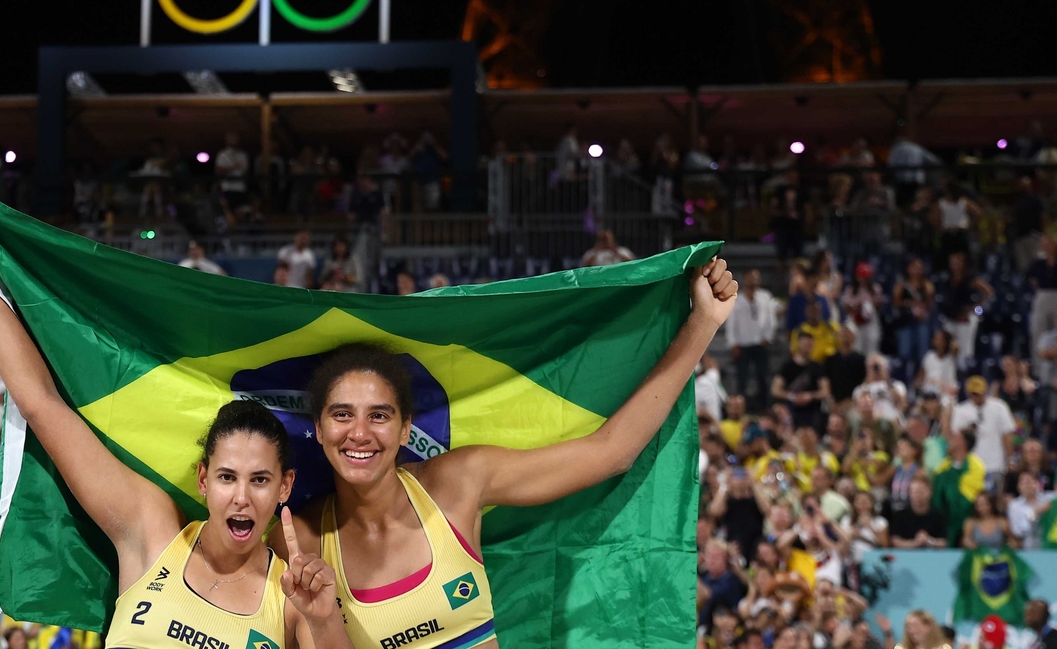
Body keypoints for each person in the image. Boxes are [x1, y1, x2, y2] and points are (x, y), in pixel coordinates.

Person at [0, 191, 352, 649]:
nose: (241, 498)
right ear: (203, 480)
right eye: (227, 477)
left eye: (259, 480)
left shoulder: (293, 596)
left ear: (284, 487)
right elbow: (40, 402)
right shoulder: (150, 534)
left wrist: (325, 621)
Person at [268, 254, 737, 646]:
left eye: (380, 415)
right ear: (319, 427)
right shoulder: (298, 543)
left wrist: (703, 322)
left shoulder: (459, 482)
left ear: (406, 427)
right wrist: (324, 620)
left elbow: (611, 451)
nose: (360, 433)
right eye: (342, 414)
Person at [951, 376, 1017, 487]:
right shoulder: (961, 410)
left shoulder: (999, 407)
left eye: (979, 393)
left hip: (995, 463)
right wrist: (968, 430)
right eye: (973, 393)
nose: (976, 396)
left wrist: (1010, 459)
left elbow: (1007, 435)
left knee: (994, 498)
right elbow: (957, 438)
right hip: (972, 465)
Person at [725, 268, 775, 412]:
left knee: (763, 377)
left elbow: (771, 319)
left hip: (761, 343)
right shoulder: (737, 298)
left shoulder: (765, 296)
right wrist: (732, 343)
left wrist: (768, 337)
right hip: (743, 344)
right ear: (745, 279)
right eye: (751, 277)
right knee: (742, 379)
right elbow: (731, 322)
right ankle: (741, 409)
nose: (753, 280)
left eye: (756, 277)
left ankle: (764, 408)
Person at [933, 428, 986, 546]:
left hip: (967, 521)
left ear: (963, 443)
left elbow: (971, 497)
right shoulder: (943, 468)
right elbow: (937, 498)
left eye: (955, 438)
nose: (950, 441)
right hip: (944, 523)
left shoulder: (976, 467)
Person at [772, 331, 829, 432]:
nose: (807, 346)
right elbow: (775, 390)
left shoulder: (817, 367)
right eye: (805, 343)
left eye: (810, 344)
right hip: (790, 408)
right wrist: (792, 397)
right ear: (798, 343)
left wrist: (810, 396)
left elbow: (825, 391)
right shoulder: (787, 366)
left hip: (812, 409)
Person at [890, 474, 947, 549]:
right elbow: (895, 541)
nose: (917, 495)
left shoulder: (938, 516)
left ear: (930, 492)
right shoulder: (900, 516)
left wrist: (929, 541)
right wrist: (915, 543)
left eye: (921, 491)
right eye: (914, 491)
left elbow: (944, 542)